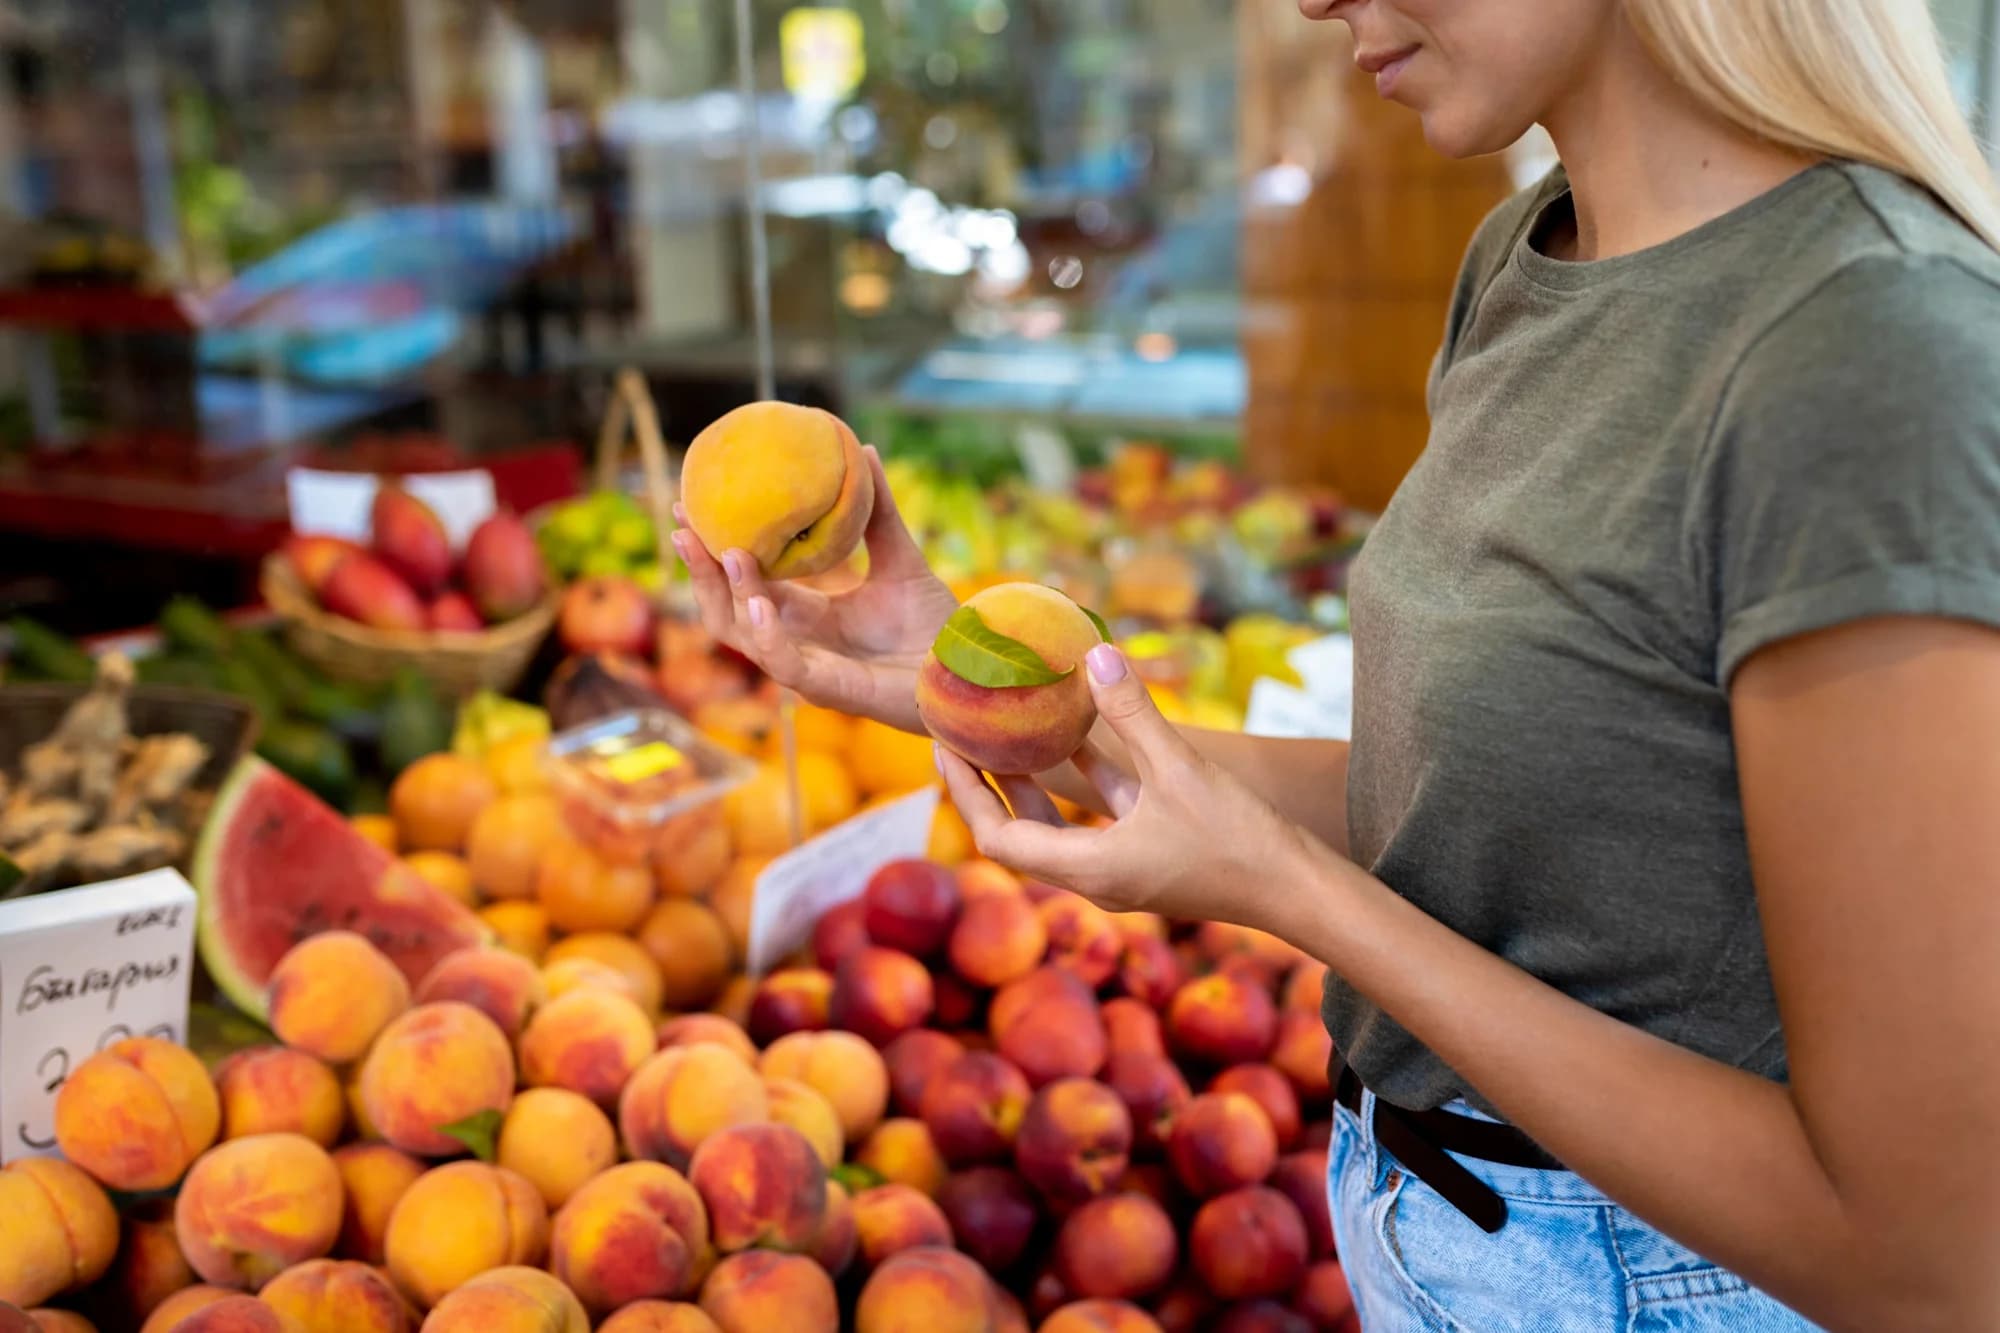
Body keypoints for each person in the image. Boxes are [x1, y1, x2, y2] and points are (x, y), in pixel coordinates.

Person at [674, 0, 2000, 1327]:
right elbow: (1485, 812)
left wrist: (1286, 890)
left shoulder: (1868, 347)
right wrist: (972, 691)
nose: (1310, 0)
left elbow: (1926, 1253)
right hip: (1435, 1233)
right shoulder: (1530, 256)